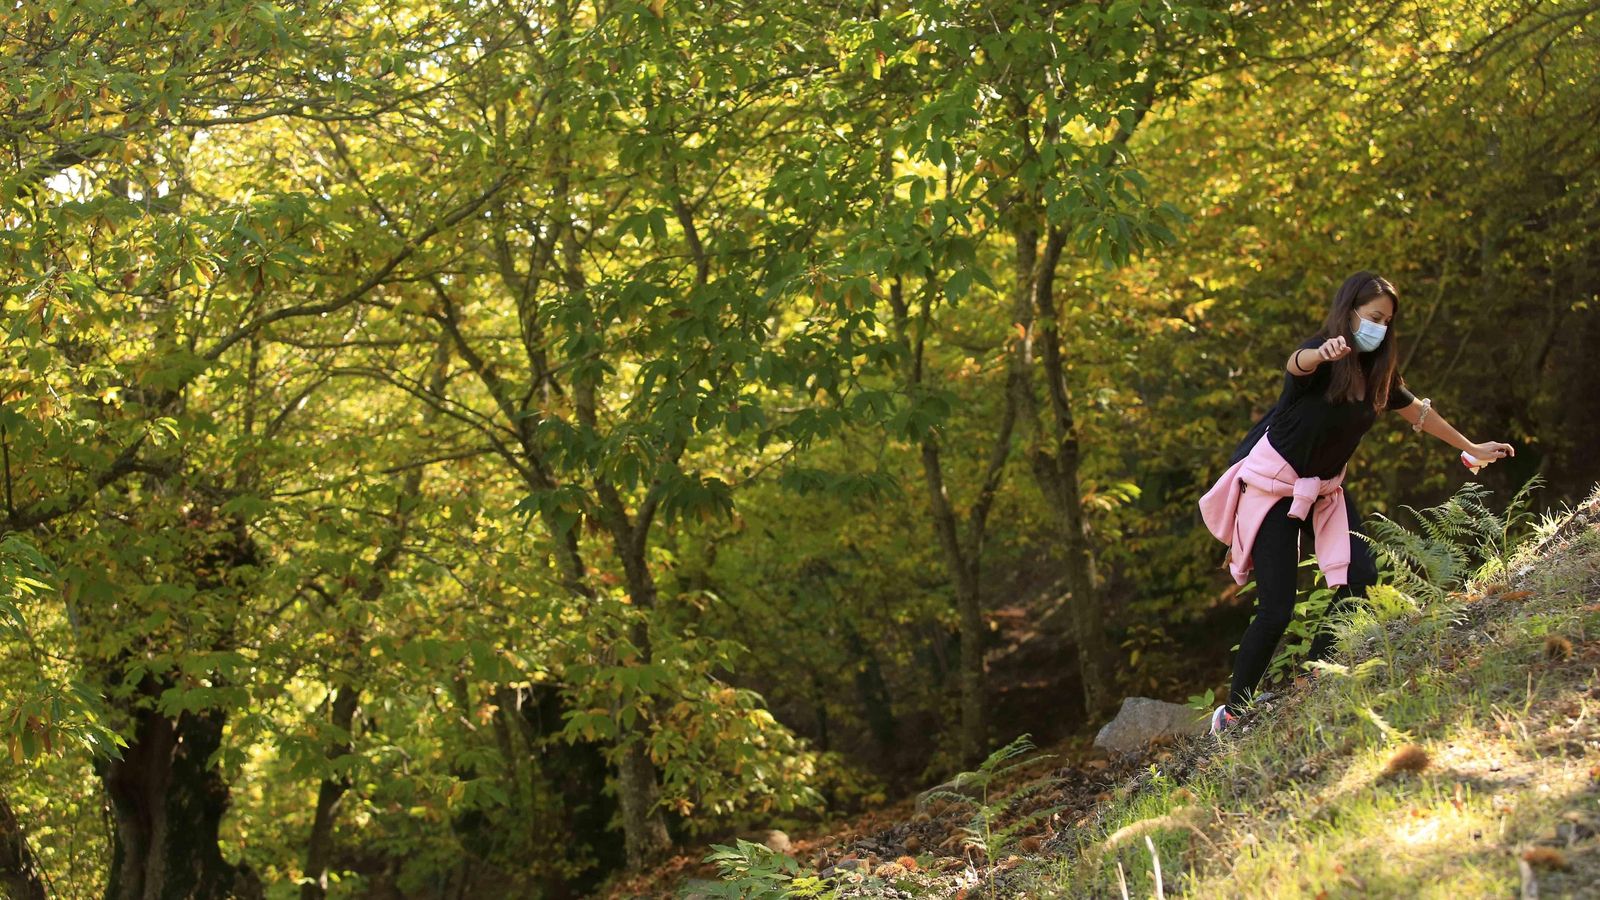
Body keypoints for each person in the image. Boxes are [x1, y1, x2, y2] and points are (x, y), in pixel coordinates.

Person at [1197, 272, 1516, 735]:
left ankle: (1313, 672)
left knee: (1361, 575)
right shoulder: (1324, 355)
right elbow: (1296, 364)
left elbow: (1418, 413)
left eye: (1386, 320)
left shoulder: (1378, 373)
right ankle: (1232, 714)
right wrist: (1319, 353)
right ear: (1349, 313)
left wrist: (1470, 447)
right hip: (1272, 489)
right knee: (1276, 607)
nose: (1379, 327)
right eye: (1372, 317)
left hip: (1324, 490)